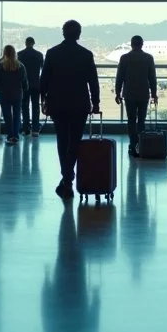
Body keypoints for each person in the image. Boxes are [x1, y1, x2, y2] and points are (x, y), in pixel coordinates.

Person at [39, 20, 100, 199]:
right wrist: (95, 102)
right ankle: (67, 178)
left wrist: (44, 100)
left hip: (57, 103)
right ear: (79, 34)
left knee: (62, 140)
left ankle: (67, 178)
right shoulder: (86, 54)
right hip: (79, 104)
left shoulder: (52, 53)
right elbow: (93, 81)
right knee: (75, 141)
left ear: (63, 33)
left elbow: (44, 81)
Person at [113, 35, 158, 157]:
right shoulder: (148, 58)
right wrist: (154, 93)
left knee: (131, 120)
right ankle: (141, 145)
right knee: (141, 121)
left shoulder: (125, 58)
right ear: (142, 44)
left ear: (131, 44)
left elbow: (120, 77)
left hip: (129, 94)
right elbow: (152, 78)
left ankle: (133, 145)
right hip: (143, 94)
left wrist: (117, 92)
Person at [0, 45, 29, 145]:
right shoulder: (20, 66)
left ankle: (10, 135)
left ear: (4, 53)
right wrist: (24, 90)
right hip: (17, 94)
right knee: (16, 115)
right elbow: (25, 82)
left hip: (5, 94)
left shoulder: (1, 66)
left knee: (7, 116)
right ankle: (16, 135)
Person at [19, 36, 45, 137]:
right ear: (33, 43)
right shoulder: (39, 55)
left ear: (26, 43)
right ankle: (35, 129)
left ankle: (25, 128)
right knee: (35, 106)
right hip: (35, 84)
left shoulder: (20, 54)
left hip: (24, 84)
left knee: (24, 106)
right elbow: (43, 69)